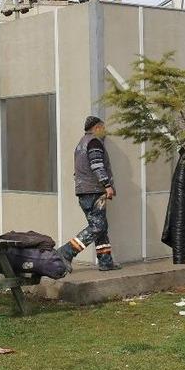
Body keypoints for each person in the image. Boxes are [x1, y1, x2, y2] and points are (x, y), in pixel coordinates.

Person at [56, 116, 122, 271]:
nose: (105, 132)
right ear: (97, 128)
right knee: (98, 226)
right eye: (103, 128)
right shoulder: (94, 142)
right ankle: (66, 252)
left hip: (84, 190)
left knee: (100, 227)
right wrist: (107, 185)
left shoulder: (81, 143)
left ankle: (105, 261)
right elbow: (97, 165)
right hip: (93, 190)